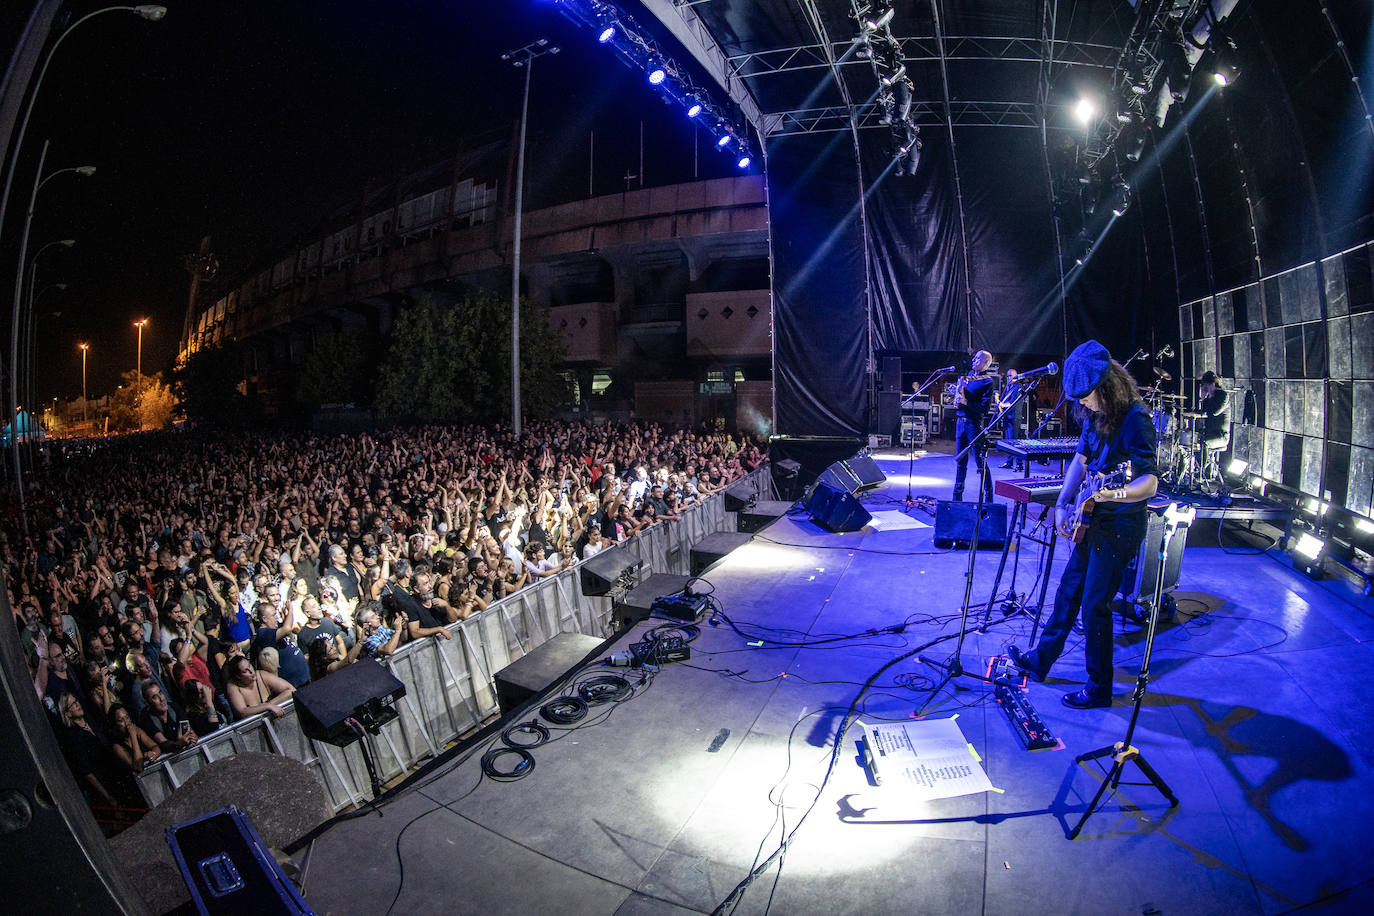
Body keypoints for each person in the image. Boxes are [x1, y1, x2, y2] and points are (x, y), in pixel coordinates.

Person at [1008, 340, 1158, 708]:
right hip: (1094, 519)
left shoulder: (1135, 417)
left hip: (1121, 525)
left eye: (1088, 396)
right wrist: (1062, 502)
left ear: (1107, 386)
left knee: (1094, 605)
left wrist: (1113, 495)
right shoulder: (1095, 416)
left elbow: (1149, 482)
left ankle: (1099, 688)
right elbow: (1081, 459)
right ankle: (1040, 661)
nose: (1084, 404)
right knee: (1069, 591)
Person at [952, 350, 997, 502]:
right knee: (960, 462)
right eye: (975, 357)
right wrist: (957, 395)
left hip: (973, 424)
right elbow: (961, 398)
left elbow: (984, 408)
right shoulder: (968, 377)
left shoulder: (987, 381)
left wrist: (966, 402)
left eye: (978, 358)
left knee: (980, 462)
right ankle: (957, 498)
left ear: (986, 363)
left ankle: (989, 497)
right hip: (960, 422)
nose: (974, 359)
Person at [1197, 370, 1230, 466]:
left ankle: (1203, 471)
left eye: (1206, 385)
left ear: (1212, 384)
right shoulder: (1208, 398)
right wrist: (1202, 398)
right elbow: (1203, 412)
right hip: (1210, 432)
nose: (1205, 388)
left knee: (1204, 442)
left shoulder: (1223, 395)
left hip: (1221, 435)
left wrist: (1211, 395)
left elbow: (1214, 412)